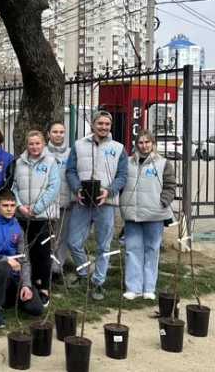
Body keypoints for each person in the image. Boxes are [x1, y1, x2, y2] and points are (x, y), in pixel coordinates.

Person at [65, 110, 128, 300]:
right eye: (100, 123)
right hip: (82, 202)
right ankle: (84, 273)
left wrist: (109, 191)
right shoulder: (78, 145)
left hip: (106, 204)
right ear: (93, 125)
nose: (103, 127)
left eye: (107, 124)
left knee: (103, 246)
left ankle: (98, 282)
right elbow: (70, 171)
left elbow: (122, 176)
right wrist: (77, 189)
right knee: (73, 242)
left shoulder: (119, 148)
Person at [119, 130, 175, 300]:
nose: (144, 146)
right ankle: (133, 287)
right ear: (136, 145)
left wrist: (163, 202)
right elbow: (121, 182)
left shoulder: (163, 163)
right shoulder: (127, 163)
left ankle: (149, 287)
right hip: (133, 213)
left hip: (155, 214)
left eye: (147, 142)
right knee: (132, 250)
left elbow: (170, 186)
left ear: (153, 143)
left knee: (152, 250)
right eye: (141, 142)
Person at [7, 130, 60, 306]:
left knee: (42, 253)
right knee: (25, 252)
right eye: (31, 144)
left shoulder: (51, 162)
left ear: (43, 144)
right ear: (26, 145)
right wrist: (20, 206)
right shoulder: (19, 163)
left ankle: (43, 286)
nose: (34, 147)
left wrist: (36, 208)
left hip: (43, 216)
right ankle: (27, 284)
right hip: (23, 216)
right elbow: (13, 187)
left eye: (37, 143)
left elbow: (53, 187)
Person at [0, 191, 44, 328]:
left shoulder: (18, 227)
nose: (9, 209)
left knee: (36, 309)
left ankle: (10, 299)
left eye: (13, 205)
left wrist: (26, 284)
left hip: (14, 276)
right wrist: (5, 259)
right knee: (3, 266)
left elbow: (24, 259)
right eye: (5, 205)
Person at [46, 121, 74, 278]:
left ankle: (57, 268)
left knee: (62, 237)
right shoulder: (41, 151)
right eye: (55, 132)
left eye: (61, 132)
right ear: (49, 134)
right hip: (46, 203)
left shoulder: (71, 153)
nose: (58, 135)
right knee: (48, 237)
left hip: (65, 202)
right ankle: (45, 266)